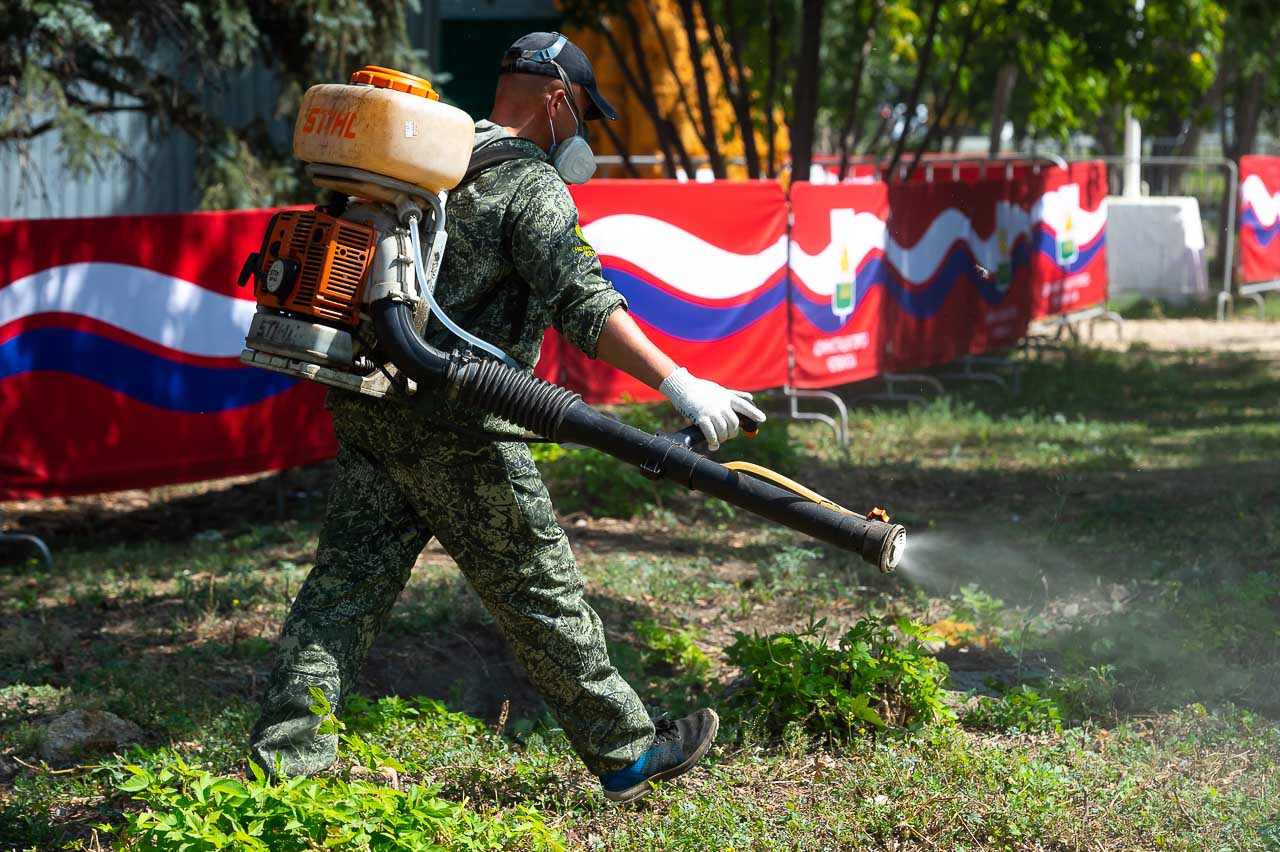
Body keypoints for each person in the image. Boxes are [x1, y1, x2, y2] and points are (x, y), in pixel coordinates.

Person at [249, 31, 765, 804]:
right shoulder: (529, 185)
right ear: (557, 100)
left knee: (343, 589)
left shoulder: (423, 168)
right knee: (538, 588)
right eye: (584, 112)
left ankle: (282, 769)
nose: (582, 134)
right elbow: (585, 304)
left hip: (371, 405)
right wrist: (681, 384)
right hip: (465, 428)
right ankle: (627, 753)